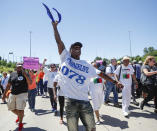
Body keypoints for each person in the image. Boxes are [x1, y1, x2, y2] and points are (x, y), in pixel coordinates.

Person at [51, 20, 122, 131]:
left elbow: (101, 74)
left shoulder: (87, 65)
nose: (77, 48)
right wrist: (55, 27)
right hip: (70, 102)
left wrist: (115, 82)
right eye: (75, 47)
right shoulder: (65, 57)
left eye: (79, 48)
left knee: (92, 128)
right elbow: (59, 41)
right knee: (73, 129)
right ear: (70, 50)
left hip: (84, 101)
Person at [2, 63, 32, 131]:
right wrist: (4, 95)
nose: (19, 68)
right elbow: (8, 85)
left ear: (22, 67)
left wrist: (25, 75)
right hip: (13, 93)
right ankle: (20, 115)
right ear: (16, 67)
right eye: (18, 67)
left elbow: (30, 82)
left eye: (20, 67)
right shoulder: (13, 74)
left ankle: (20, 123)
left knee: (20, 109)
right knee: (10, 107)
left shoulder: (26, 73)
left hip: (22, 94)